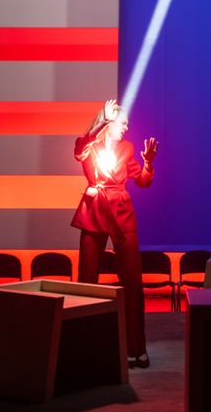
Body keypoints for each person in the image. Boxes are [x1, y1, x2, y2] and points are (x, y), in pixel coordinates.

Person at [71, 99, 159, 368]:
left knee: (133, 280)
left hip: (121, 211)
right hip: (94, 209)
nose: (126, 127)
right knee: (87, 280)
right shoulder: (90, 144)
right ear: (109, 123)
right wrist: (102, 123)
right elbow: (79, 149)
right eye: (122, 123)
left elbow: (142, 181)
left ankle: (136, 348)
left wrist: (148, 163)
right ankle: (83, 347)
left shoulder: (127, 148)